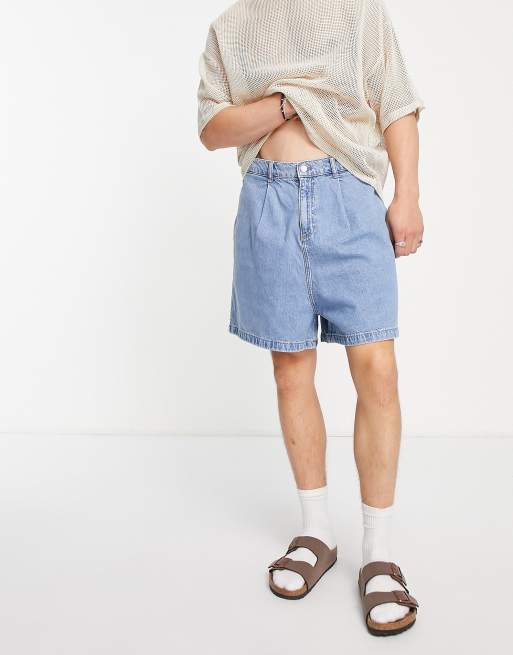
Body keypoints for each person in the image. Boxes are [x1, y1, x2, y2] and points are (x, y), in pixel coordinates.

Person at [196, 0, 424, 636]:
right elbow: (213, 127)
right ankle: (317, 532)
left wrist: (407, 196)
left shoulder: (357, 12)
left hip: (348, 195)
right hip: (267, 198)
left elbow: (397, 103)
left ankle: (378, 551)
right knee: (291, 371)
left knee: (377, 369)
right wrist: (289, 101)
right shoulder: (230, 27)